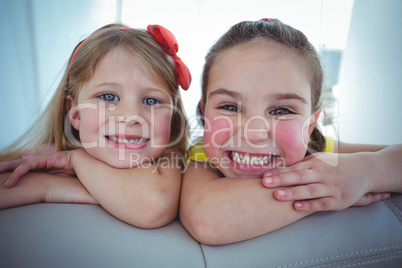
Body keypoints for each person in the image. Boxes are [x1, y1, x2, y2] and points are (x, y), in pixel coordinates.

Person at [179, 19, 402, 245]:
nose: (254, 134)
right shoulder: (202, 157)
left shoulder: (320, 151)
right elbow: (208, 219)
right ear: (204, 112)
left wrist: (366, 171)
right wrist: (326, 190)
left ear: (311, 124)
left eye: (281, 110)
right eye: (230, 107)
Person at [0, 23, 191, 229]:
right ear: (74, 113)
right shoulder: (39, 160)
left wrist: (74, 162)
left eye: (152, 101)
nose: (131, 116)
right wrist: (49, 185)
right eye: (108, 97)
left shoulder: (171, 161)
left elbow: (153, 206)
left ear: (172, 117)